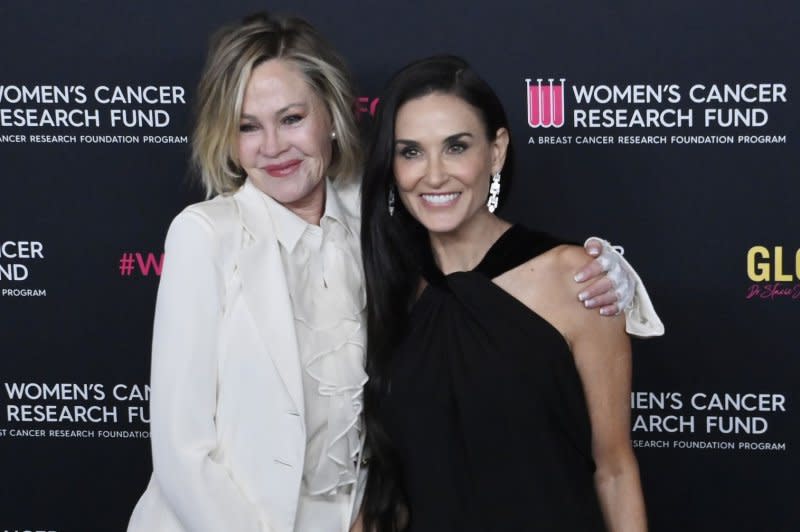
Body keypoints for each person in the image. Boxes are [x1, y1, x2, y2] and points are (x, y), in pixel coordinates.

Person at [128, 13, 658, 532]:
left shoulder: (374, 227)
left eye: (291, 118)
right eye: (248, 127)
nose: (273, 146)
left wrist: (612, 271)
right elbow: (182, 449)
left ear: (331, 115)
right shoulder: (205, 235)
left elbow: (490, 267)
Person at [360, 55, 653, 532]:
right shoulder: (385, 286)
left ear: (496, 151)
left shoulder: (577, 278)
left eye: (456, 147)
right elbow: (384, 483)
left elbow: (615, 469)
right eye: (410, 151)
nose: (433, 175)